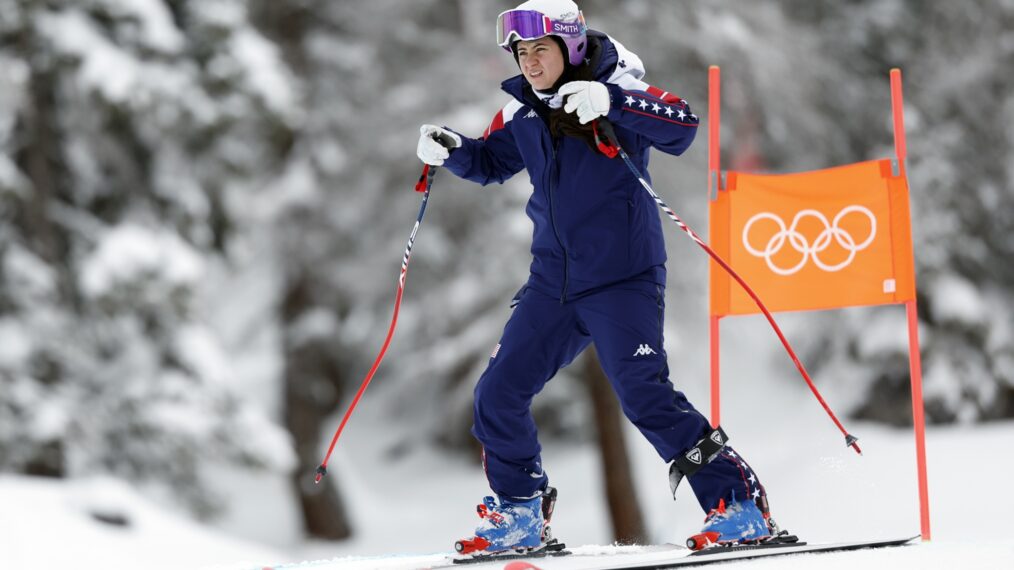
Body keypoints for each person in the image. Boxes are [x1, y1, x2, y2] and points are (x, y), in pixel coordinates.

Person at [416, 0, 778, 556]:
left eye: (541, 50)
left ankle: (739, 506)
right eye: (521, 52)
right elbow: (491, 162)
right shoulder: (524, 111)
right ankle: (519, 514)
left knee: (643, 394)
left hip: (622, 277)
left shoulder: (618, 86)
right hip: (552, 284)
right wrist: (453, 151)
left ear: (571, 47)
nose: (530, 63)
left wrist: (612, 101)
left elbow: (681, 125)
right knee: (498, 392)